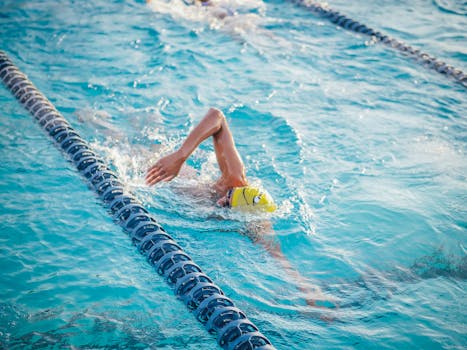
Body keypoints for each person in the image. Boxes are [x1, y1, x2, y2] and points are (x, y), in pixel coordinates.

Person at [146, 108, 336, 310]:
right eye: (227, 196)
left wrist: (305, 288)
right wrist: (180, 156)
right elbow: (216, 116)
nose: (221, 203)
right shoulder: (234, 181)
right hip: (166, 170)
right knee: (141, 145)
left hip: (171, 186)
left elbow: (279, 258)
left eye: (228, 205)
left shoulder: (257, 224)